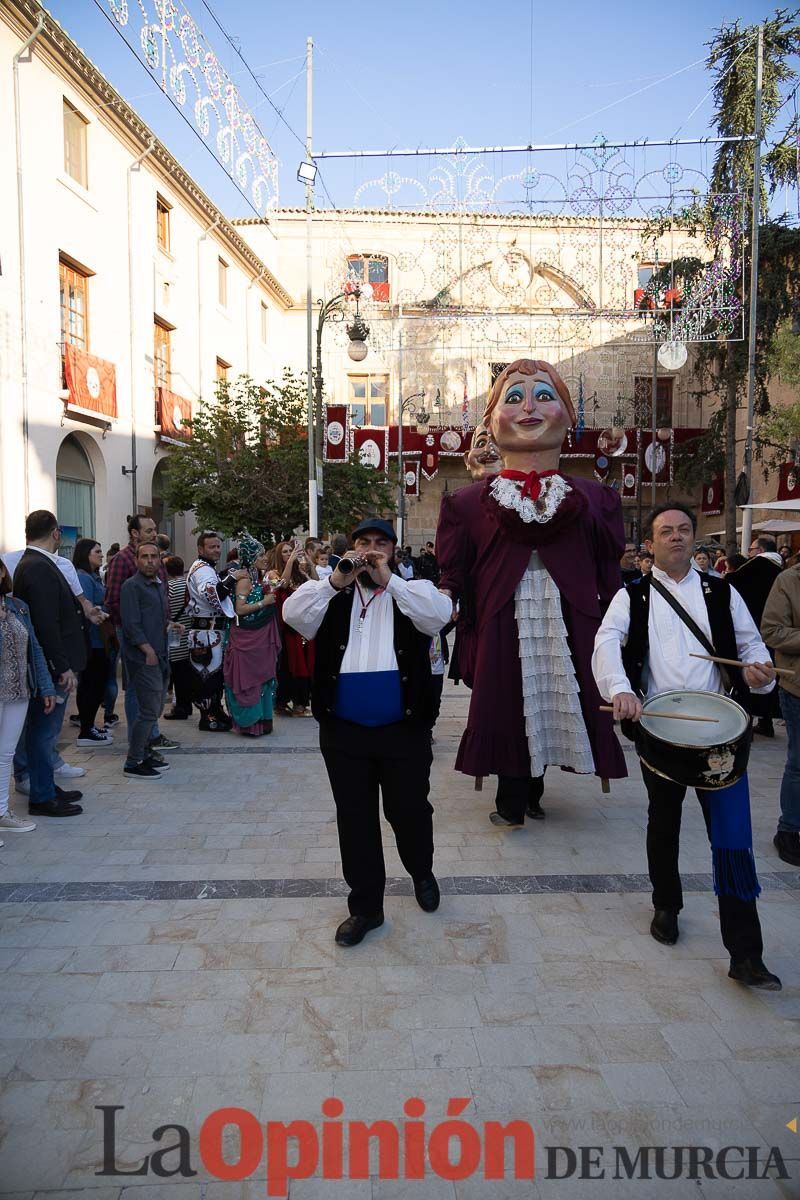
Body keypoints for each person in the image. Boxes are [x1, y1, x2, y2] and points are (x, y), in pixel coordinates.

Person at [592, 503, 781, 991]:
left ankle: (745, 953)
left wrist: (757, 672)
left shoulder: (723, 592)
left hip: (720, 732)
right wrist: (620, 689)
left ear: (694, 540)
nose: (676, 538)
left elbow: (751, 645)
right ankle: (666, 904)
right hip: (660, 727)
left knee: (733, 836)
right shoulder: (630, 595)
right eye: (665, 532)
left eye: (683, 531)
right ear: (650, 544)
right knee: (664, 821)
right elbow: (606, 642)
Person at [436, 359, 626, 827]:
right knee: (507, 705)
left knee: (554, 701)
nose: (528, 409)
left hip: (570, 621)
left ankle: (534, 789)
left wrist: (620, 639)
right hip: (503, 621)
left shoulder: (598, 500)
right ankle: (512, 799)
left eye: (544, 395)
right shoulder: (464, 504)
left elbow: (610, 578)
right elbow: (452, 576)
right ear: (491, 420)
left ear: (568, 415)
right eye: (513, 398)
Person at [283, 518, 452, 946]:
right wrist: (335, 582)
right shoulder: (331, 591)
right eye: (364, 543)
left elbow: (439, 617)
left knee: (409, 811)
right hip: (345, 733)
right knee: (355, 819)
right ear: (351, 547)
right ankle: (366, 908)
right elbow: (293, 616)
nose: (372, 550)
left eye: (381, 543)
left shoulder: (413, 591)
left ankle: (421, 871)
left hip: (404, 730)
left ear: (393, 551)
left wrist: (389, 581)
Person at [11, 511, 87, 817]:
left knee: (45, 731)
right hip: (53, 665)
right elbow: (45, 624)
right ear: (55, 533)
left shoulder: (32, 564)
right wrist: (61, 666)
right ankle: (41, 796)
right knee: (43, 732)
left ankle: (46, 785)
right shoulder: (39, 567)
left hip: (53, 662)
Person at [105, 515, 177, 754]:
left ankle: (151, 735)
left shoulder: (157, 559)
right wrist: (133, 637)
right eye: (149, 530)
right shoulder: (122, 561)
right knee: (138, 688)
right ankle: (140, 745)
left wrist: (166, 622)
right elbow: (114, 601)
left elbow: (160, 595)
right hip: (135, 637)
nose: (154, 533)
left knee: (156, 689)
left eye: (155, 529)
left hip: (158, 633)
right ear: (135, 534)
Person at [0, 557, 52, 840]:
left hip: (19, 690)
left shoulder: (18, 607)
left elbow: (35, 649)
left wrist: (45, 687)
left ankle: (2, 813)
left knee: (6, 754)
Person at [120, 542, 177, 779]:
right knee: (148, 711)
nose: (150, 560)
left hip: (161, 654)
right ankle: (133, 762)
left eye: (154, 556)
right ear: (136, 560)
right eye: (145, 556)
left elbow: (155, 619)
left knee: (153, 710)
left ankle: (144, 752)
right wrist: (147, 650)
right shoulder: (131, 586)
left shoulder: (158, 585)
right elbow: (131, 625)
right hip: (144, 658)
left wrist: (171, 626)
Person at [761, 556, 800, 866]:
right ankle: (789, 829)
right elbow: (772, 631)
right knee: (799, 763)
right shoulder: (789, 580)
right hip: (797, 687)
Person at [223, 533, 280, 737]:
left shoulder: (257, 577)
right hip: (246, 638)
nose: (265, 558)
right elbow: (240, 609)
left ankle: (263, 720)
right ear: (251, 557)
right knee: (249, 680)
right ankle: (250, 723)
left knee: (262, 679)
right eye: (261, 554)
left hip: (259, 637)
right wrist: (264, 602)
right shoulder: (245, 579)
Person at [186, 531, 242, 732]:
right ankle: (208, 716)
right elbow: (214, 595)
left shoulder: (207, 568)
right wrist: (232, 578)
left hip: (211, 632)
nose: (217, 550)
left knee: (214, 674)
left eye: (218, 546)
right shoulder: (202, 570)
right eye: (212, 547)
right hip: (205, 633)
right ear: (201, 549)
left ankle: (216, 711)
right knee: (207, 674)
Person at [729, 536, 783, 738]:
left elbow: (730, 583)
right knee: (769, 673)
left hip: (754, 627)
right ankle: (766, 720)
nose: (749, 553)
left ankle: (747, 722)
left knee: (752, 673)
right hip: (777, 632)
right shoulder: (783, 568)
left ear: (759, 550)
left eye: (751, 549)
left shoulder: (757, 566)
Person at [72, 538, 113, 747]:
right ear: (86, 554)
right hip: (92, 641)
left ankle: (89, 725)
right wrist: (102, 611)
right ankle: (86, 729)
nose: (101, 555)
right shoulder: (83, 578)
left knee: (96, 683)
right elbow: (86, 609)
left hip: (99, 639)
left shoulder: (93, 577)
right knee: (92, 684)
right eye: (97, 551)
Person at [272, 541, 316, 716]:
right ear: (279, 555)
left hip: (304, 624)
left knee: (304, 662)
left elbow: (317, 585)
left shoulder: (301, 572)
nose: (289, 553)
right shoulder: (274, 573)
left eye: (291, 551)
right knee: (290, 664)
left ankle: (300, 703)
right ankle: (286, 702)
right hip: (288, 626)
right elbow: (282, 584)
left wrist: (309, 561)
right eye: (285, 552)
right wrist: (290, 561)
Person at [162, 556, 194, 721]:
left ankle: (181, 707)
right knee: (186, 674)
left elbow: (164, 611)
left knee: (178, 675)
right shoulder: (189, 585)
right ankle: (186, 704)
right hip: (190, 635)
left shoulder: (169, 588)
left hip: (176, 636)